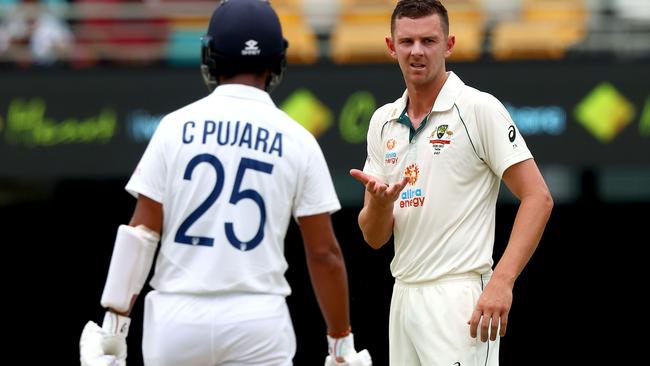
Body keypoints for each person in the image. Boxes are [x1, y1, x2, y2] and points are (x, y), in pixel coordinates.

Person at [79, 0, 371, 365]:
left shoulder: (174, 126)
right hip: (257, 318)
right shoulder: (297, 138)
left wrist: (114, 326)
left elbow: (141, 233)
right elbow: (324, 253)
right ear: (277, 60)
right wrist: (340, 342)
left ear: (211, 56)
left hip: (176, 316)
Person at [349, 0, 553, 365]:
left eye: (429, 40)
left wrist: (502, 282)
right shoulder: (383, 121)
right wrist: (379, 205)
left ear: (450, 44)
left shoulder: (478, 108)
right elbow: (374, 237)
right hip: (404, 295)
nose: (417, 51)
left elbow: (538, 197)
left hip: (459, 296)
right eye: (407, 41)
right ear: (391, 46)